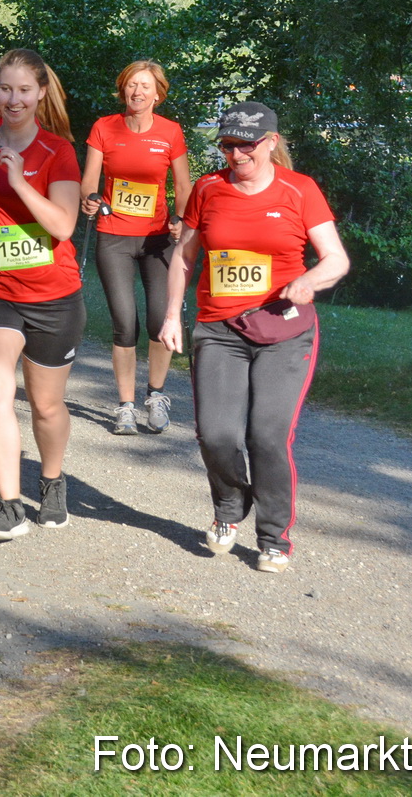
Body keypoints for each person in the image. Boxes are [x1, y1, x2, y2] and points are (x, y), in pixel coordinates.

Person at [157, 102, 348, 573]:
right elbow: (184, 256)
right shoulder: (208, 188)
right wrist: (171, 315)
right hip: (219, 329)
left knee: (267, 436)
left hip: (284, 330)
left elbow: (336, 259)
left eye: (246, 145)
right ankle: (229, 505)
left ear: (270, 143)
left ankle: (273, 536)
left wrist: (310, 280)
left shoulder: (299, 190)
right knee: (216, 434)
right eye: (227, 146)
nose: (236, 154)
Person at [0, 48, 83, 542]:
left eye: (24, 90)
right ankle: (8, 506)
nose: (13, 99)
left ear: (41, 93)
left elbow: (62, 226)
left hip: (53, 293)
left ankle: (52, 480)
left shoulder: (58, 152)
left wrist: (20, 181)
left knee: (46, 406)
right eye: (5, 89)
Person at [81, 60, 194, 436]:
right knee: (125, 323)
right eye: (132, 84)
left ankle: (156, 395)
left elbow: (183, 186)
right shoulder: (104, 127)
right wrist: (90, 199)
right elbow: (89, 182)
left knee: (161, 319)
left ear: (157, 94)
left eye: (145, 86)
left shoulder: (170, 132)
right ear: (122, 90)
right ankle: (126, 405)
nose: (138, 91)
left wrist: (181, 219)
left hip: (158, 239)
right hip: (114, 235)